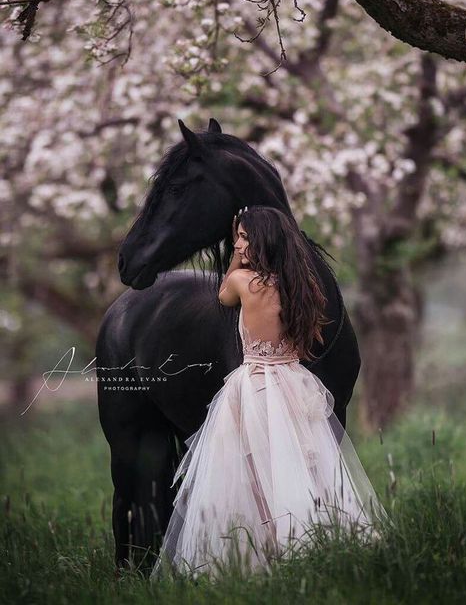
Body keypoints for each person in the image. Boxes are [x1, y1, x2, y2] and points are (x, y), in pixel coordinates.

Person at [150, 206, 387, 581]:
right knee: (307, 467)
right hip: (294, 382)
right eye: (239, 237)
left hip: (255, 386)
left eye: (245, 237)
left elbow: (223, 297)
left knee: (253, 471)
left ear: (260, 242)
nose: (240, 243)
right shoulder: (300, 286)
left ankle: (269, 549)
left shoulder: (245, 282)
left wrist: (234, 258)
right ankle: (312, 540)